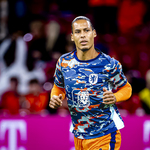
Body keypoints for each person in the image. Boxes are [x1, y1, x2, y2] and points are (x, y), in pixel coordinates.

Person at [49, 16, 132, 150]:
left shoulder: (109, 64)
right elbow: (58, 87)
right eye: (78, 32)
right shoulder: (64, 62)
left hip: (105, 134)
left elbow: (126, 88)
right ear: (72, 37)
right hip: (79, 135)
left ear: (94, 33)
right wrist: (55, 97)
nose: (82, 35)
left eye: (86, 30)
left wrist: (115, 97)